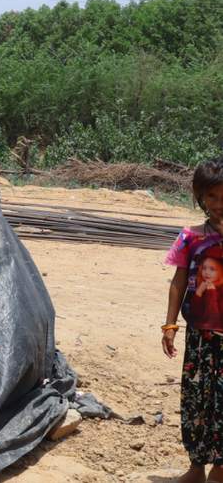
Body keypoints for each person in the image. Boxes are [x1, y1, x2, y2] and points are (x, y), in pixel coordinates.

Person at [162, 157, 223, 483]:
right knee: (196, 400)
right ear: (200, 197)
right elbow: (178, 282)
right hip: (200, 333)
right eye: (211, 197)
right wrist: (170, 326)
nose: (218, 205)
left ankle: (221, 469)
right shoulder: (191, 237)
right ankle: (196, 467)